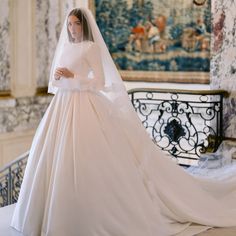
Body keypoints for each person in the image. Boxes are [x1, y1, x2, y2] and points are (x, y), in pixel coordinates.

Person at [9, 7, 236, 236]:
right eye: (69, 24)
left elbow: (98, 81)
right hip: (62, 106)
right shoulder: (67, 47)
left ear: (84, 26)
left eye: (76, 24)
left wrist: (72, 77)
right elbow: (60, 80)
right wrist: (59, 77)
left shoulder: (91, 47)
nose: (72, 28)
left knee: (88, 156)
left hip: (85, 106)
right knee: (53, 155)